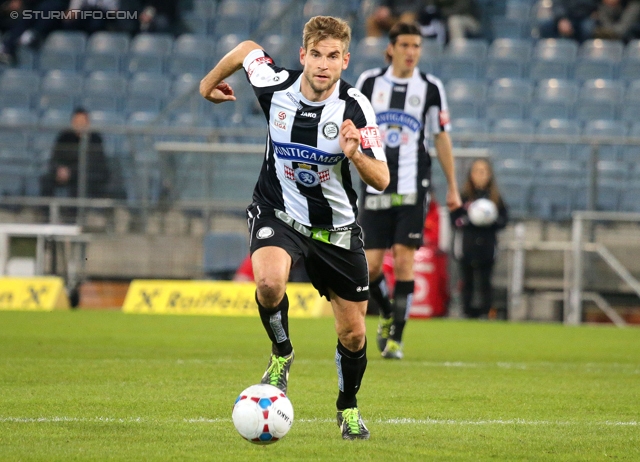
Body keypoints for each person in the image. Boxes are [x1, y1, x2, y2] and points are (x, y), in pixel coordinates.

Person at [199, 16, 390, 440]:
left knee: (354, 333)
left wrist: (355, 155)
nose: (324, 65)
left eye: (334, 57)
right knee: (268, 283)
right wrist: (206, 85)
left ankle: (347, 407)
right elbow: (246, 46)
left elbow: (381, 179)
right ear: (303, 55)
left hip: (336, 230)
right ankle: (282, 353)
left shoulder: (356, 107)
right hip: (278, 212)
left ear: (345, 61)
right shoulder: (275, 84)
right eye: (317, 55)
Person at [355, 22, 461, 359]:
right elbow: (351, 128)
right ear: (391, 48)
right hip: (375, 184)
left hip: (414, 186)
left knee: (404, 259)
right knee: (370, 268)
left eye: (416, 45)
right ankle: (386, 311)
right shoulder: (369, 83)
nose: (411, 52)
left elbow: (441, 137)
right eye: (405, 45)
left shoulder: (431, 87)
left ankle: (397, 337)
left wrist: (453, 187)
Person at [451, 158, 508, 319]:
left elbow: (504, 220)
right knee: (466, 280)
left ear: (489, 175)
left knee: (485, 281)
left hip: (487, 246)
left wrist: (492, 221)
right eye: (477, 171)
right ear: (471, 174)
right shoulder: (463, 197)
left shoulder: (495, 198)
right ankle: (466, 311)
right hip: (467, 245)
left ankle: (486, 312)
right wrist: (467, 220)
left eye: (484, 172)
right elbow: (454, 219)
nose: (480, 175)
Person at [40, 107, 110, 202]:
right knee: (46, 180)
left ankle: (75, 214)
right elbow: (55, 157)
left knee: (80, 181)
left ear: (88, 123)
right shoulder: (64, 137)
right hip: (66, 174)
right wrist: (59, 169)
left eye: (82, 122)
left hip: (88, 174)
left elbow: (93, 162)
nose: (80, 125)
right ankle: (46, 212)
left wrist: (71, 171)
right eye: (77, 122)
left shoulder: (95, 139)